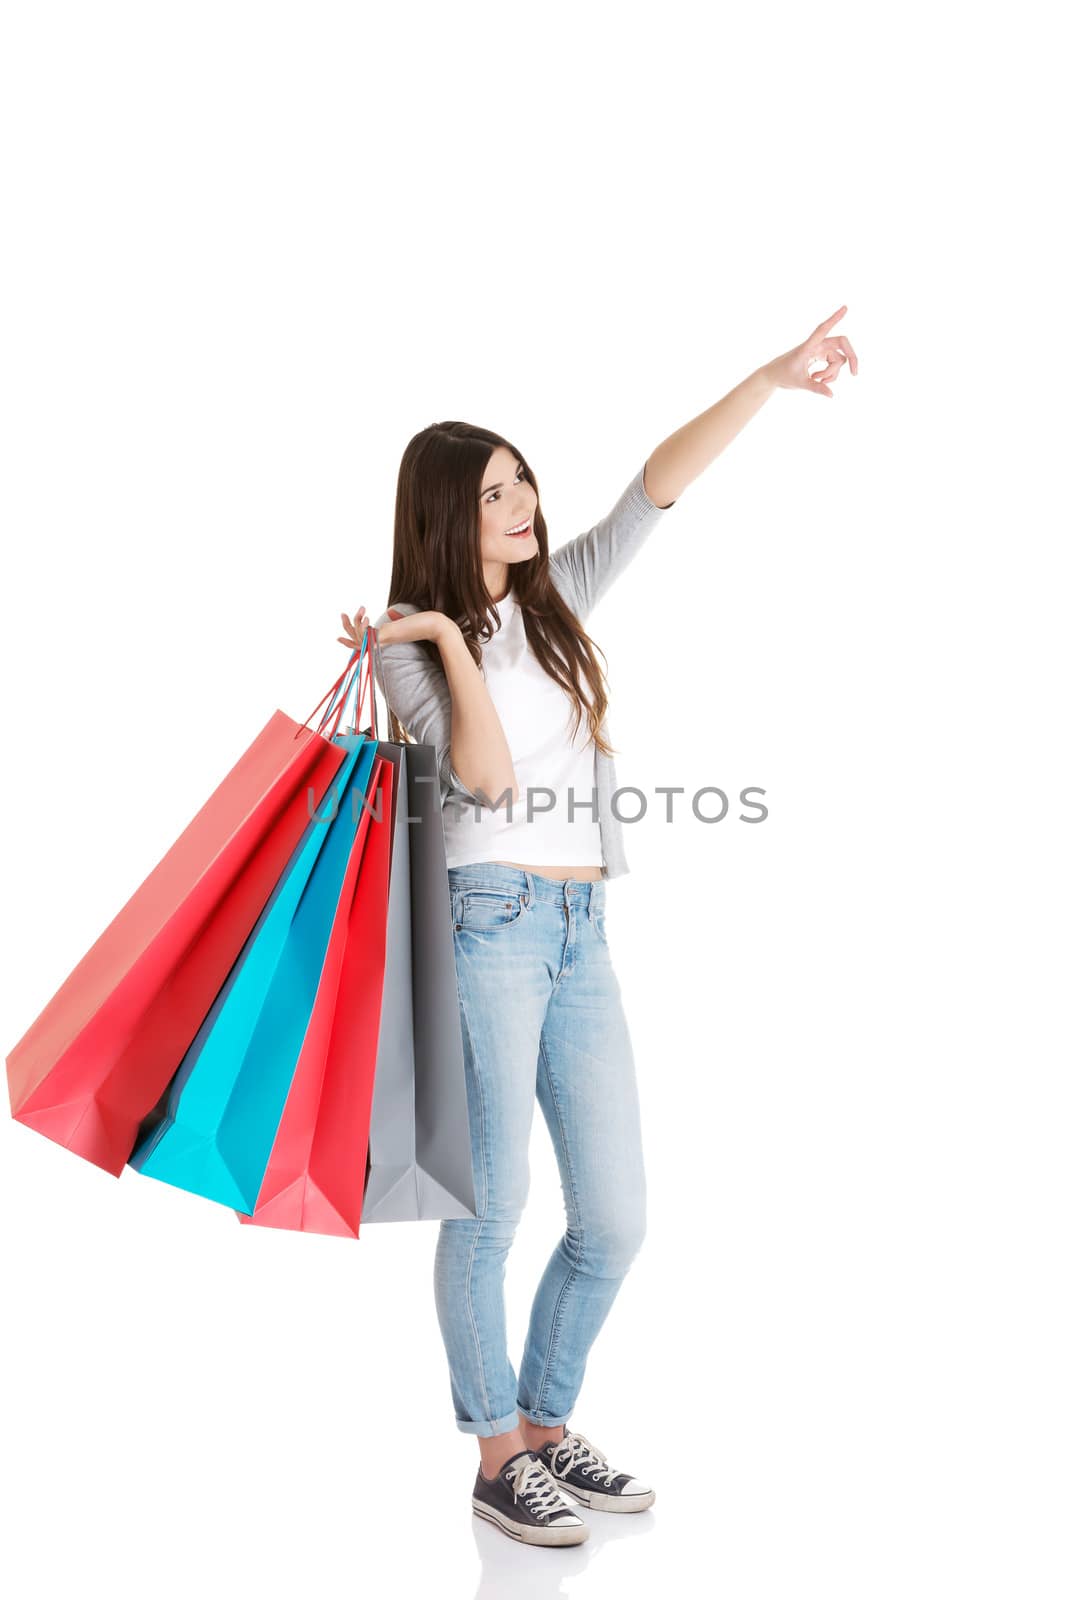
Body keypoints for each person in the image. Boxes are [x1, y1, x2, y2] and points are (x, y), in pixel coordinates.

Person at [337, 309, 857, 1549]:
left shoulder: (559, 596)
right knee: (495, 1204)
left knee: (614, 1217)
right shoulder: (416, 651)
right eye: (494, 494)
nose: (521, 505)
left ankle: (546, 1424)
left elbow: (653, 489)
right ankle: (492, 1452)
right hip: (488, 921)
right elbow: (486, 777)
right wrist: (450, 644)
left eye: (523, 481)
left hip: (580, 928)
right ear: (444, 518)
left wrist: (771, 380)